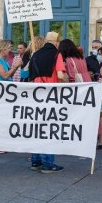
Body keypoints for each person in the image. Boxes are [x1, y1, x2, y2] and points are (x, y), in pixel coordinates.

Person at [29, 32, 66, 173]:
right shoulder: (57, 55)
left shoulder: (35, 55)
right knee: (48, 130)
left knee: (37, 129)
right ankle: (47, 164)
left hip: (36, 96)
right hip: (51, 97)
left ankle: (35, 161)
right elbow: (61, 75)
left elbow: (30, 76)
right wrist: (68, 81)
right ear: (56, 42)